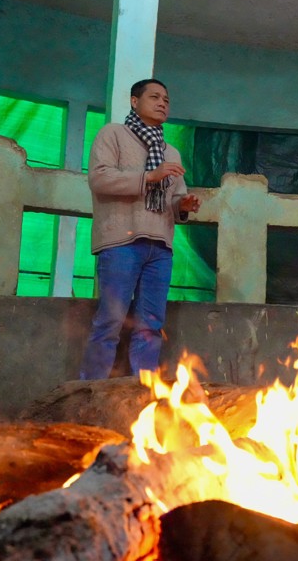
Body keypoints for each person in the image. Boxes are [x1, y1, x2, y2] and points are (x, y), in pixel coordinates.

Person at [79, 78, 201, 380]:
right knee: (110, 321)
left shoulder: (171, 152)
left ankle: (142, 391)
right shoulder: (113, 135)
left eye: (167, 100)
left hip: (160, 246)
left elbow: (173, 198)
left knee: (150, 324)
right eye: (155, 97)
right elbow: (100, 179)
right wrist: (149, 176)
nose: (162, 103)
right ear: (135, 102)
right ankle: (88, 390)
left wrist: (183, 206)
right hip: (121, 241)